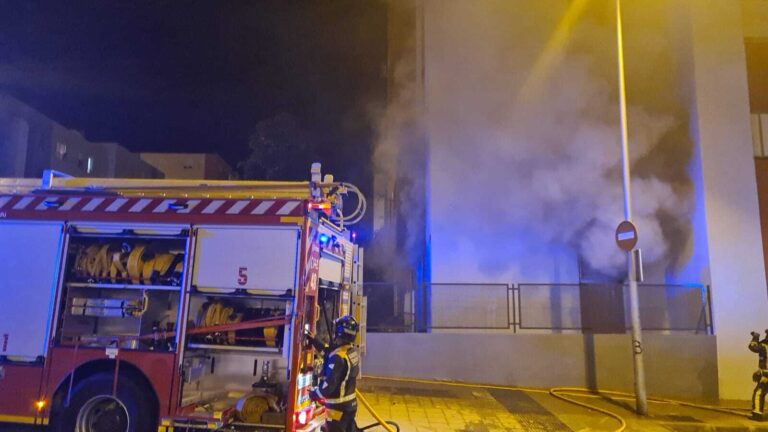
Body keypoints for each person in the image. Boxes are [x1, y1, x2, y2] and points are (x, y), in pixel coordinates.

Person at [306, 315, 360, 432]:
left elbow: (328, 387)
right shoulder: (350, 351)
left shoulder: (338, 357)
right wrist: (314, 340)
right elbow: (327, 352)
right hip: (349, 406)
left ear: (339, 333)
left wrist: (313, 393)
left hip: (337, 410)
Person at [749, 330, 768, 421]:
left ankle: (757, 414)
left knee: (759, 393)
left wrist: (755, 337)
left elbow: (752, 347)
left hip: (766, 376)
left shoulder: (764, 347)